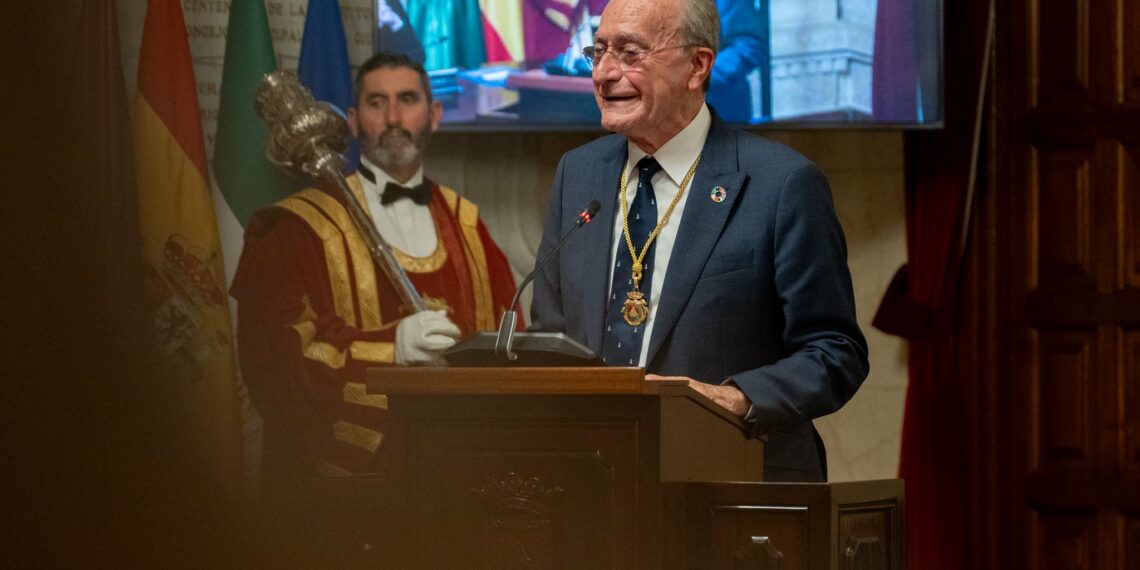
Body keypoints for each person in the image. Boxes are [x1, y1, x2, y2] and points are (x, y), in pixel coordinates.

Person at [530, 0, 868, 482]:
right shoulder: (577, 174)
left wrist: (736, 398)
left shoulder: (782, 183)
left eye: (629, 53)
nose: (604, 73)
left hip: (732, 480)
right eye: (598, 51)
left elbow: (837, 352)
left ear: (697, 66)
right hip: (595, 483)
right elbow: (551, 336)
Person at [231, 52, 519, 483]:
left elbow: (512, 349)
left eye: (407, 99)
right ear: (351, 119)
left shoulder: (470, 227)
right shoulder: (295, 229)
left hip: (457, 479)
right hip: (351, 494)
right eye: (376, 102)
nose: (393, 116)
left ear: (434, 114)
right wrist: (390, 350)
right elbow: (274, 361)